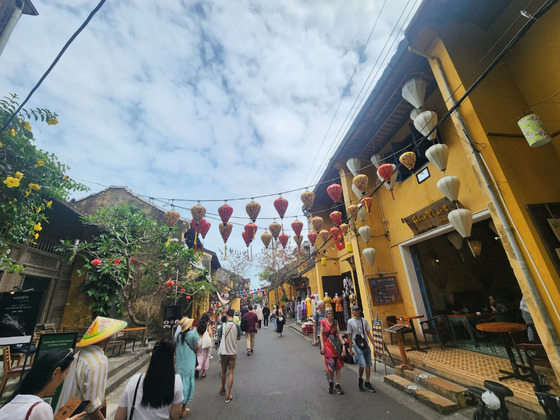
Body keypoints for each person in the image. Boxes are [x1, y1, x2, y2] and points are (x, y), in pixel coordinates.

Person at [56, 316, 127, 419]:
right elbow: (91, 407)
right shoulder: (99, 361)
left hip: (62, 415)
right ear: (107, 337)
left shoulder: (78, 355)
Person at [0, 349, 85, 420]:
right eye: (65, 374)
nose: (64, 379)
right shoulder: (40, 408)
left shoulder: (8, 405)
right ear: (56, 373)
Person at [114, 338, 183, 420]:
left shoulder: (135, 380)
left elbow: (119, 417)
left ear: (152, 356)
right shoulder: (176, 382)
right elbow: (174, 415)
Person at [346, 305, 376, 393]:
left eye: (358, 310)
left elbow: (368, 333)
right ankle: (360, 379)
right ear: (352, 312)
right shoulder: (350, 321)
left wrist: (374, 344)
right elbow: (350, 335)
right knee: (362, 364)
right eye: (355, 310)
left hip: (365, 344)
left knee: (368, 364)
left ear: (360, 311)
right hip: (357, 345)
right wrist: (350, 348)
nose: (356, 311)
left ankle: (367, 381)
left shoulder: (364, 320)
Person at [175, 316, 198, 417]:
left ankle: (177, 408)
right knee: (187, 385)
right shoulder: (193, 334)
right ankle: (183, 409)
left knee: (180, 385)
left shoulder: (177, 336)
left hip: (180, 363)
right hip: (189, 363)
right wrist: (194, 353)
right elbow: (196, 346)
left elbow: (175, 349)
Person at [320, 307, 346, 394]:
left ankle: (338, 384)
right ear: (326, 314)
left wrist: (343, 345)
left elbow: (338, 334)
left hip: (336, 346)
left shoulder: (335, 322)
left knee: (338, 366)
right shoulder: (323, 322)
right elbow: (321, 334)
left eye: (331, 313)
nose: (330, 315)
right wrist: (322, 345)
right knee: (331, 366)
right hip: (328, 346)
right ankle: (331, 382)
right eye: (329, 313)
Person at [217, 309, 241, 403]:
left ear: (227, 315)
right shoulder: (237, 326)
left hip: (224, 352)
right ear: (234, 315)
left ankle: (223, 388)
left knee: (223, 371)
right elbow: (238, 338)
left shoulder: (222, 326)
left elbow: (219, 337)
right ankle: (228, 395)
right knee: (231, 372)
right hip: (232, 352)